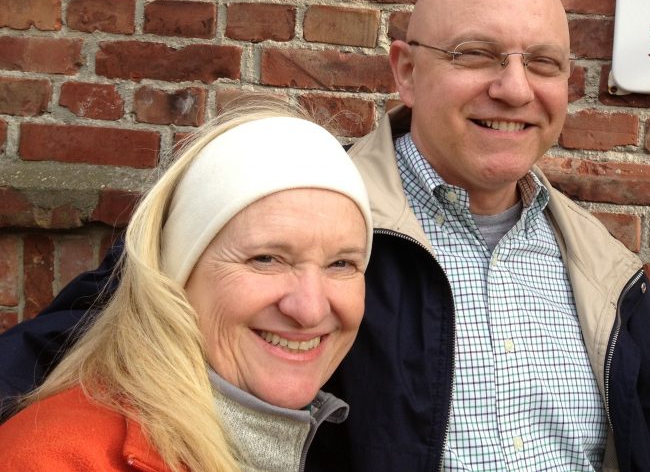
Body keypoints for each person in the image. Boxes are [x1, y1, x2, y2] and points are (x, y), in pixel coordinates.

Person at [0, 0, 650, 471]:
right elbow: (83, 351)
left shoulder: (607, 273)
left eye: (542, 64)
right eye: (476, 54)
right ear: (405, 71)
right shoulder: (286, 206)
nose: (514, 88)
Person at [0, 103, 373, 471]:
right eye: (265, 259)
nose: (310, 309)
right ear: (175, 275)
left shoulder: (322, 445)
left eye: (341, 264)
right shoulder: (53, 459)